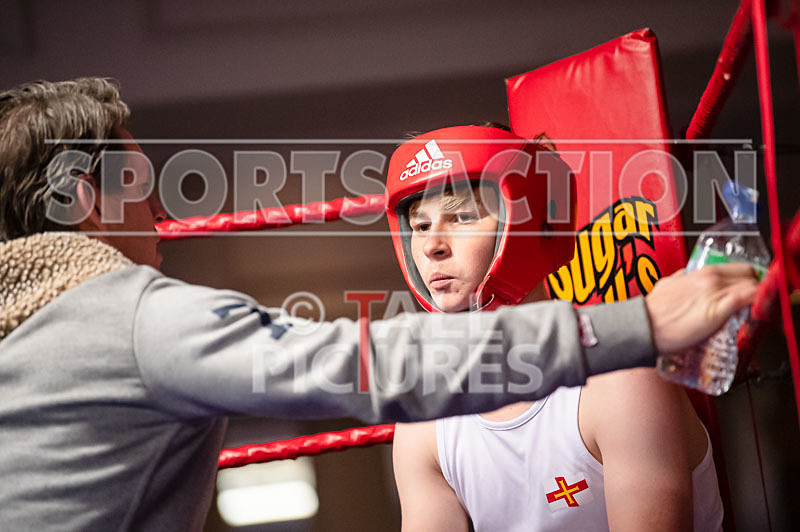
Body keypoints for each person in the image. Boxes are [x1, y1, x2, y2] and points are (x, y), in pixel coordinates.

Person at [0, 78, 755, 530]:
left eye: (462, 214)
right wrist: (641, 322)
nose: (161, 211)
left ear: (527, 214)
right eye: (137, 184)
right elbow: (358, 365)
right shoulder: (128, 317)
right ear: (87, 202)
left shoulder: (24, 327)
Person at [389, 125, 723, 531]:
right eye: (421, 226)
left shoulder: (620, 377)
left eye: (461, 216)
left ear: (533, 225)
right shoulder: (425, 420)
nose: (430, 246)